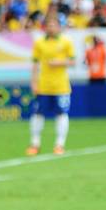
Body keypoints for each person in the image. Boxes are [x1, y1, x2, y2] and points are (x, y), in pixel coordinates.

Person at [27, 17, 74, 156]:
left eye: (54, 25)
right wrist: (33, 82)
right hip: (43, 85)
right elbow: (35, 64)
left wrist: (58, 62)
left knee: (61, 114)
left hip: (61, 86)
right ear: (45, 27)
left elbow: (73, 61)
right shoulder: (39, 43)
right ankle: (35, 144)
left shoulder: (66, 42)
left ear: (59, 27)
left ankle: (60, 144)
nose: (51, 28)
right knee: (38, 114)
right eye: (49, 25)